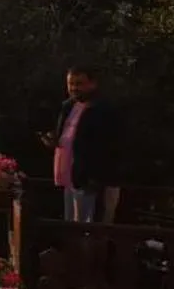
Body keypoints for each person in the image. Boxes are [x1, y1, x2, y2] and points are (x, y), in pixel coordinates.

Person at [40, 64, 122, 222]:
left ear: (92, 84)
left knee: (88, 229)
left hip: (89, 181)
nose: (74, 88)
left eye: (79, 84)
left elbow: (109, 147)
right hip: (69, 177)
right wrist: (53, 140)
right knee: (71, 225)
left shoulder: (103, 110)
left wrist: (97, 178)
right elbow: (66, 136)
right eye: (71, 84)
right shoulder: (69, 106)